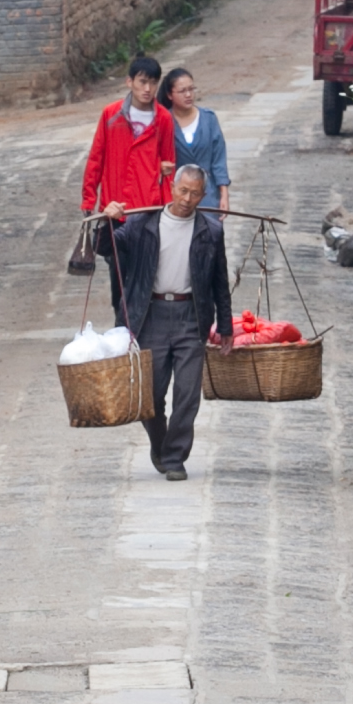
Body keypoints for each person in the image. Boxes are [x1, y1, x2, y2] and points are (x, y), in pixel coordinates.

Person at [112, 164, 232, 481]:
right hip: (151, 315)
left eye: (195, 193)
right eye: (183, 190)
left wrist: (226, 326)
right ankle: (160, 442)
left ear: (202, 195)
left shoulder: (210, 231)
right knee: (150, 396)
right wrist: (109, 222)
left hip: (191, 317)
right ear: (172, 188)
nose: (188, 198)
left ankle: (175, 458)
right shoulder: (143, 223)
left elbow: (221, 281)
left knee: (187, 393)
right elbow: (108, 248)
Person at [78, 55, 177, 295]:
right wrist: (89, 201)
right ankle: (122, 328)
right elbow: (96, 159)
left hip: (149, 211)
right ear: (129, 82)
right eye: (142, 82)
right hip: (116, 211)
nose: (147, 89)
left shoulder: (163, 118)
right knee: (119, 280)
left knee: (148, 279)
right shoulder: (111, 115)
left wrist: (168, 207)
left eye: (153, 83)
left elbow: (169, 166)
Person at [163, 67, 230, 212]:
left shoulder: (208, 118)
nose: (188, 95)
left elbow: (219, 160)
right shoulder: (163, 121)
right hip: (177, 197)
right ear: (169, 94)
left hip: (207, 194)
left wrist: (224, 195)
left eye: (191, 89)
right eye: (182, 91)